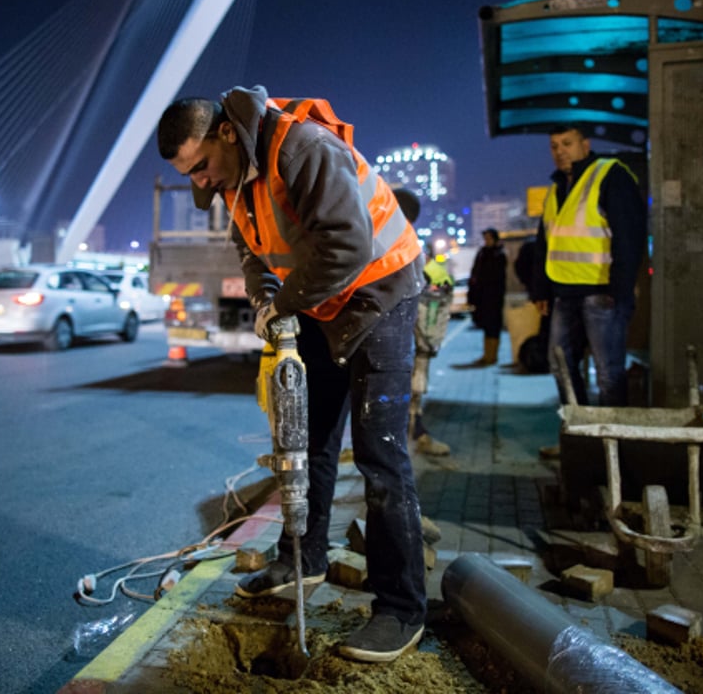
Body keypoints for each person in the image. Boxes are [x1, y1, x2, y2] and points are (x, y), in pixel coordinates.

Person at [158, 87, 428, 663]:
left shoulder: (301, 148)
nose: (200, 184)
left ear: (227, 133)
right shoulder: (231, 179)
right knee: (305, 442)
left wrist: (285, 307)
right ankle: (301, 560)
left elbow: (347, 245)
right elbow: (251, 250)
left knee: (380, 455)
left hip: (380, 294)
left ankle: (400, 608)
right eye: (191, 175)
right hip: (321, 302)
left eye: (201, 167)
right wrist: (266, 303)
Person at [530, 124, 646, 414]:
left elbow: (628, 235)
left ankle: (614, 447)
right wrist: (541, 289)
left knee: (608, 373)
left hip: (602, 292)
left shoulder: (610, 175)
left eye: (567, 143)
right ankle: (580, 438)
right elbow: (545, 242)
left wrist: (621, 290)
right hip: (564, 293)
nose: (560, 152)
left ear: (585, 144)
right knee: (560, 366)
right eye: (554, 146)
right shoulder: (557, 189)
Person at [392, 188, 453, 457]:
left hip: (407, 338)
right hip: (411, 340)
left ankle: (414, 433)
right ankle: (413, 434)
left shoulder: (404, 248)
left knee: (408, 388)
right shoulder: (415, 251)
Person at [459, 228, 507, 367]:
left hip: (494, 296)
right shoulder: (482, 253)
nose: (487, 241)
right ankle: (487, 355)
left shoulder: (499, 254)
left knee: (493, 326)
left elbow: (496, 277)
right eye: (485, 238)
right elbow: (475, 274)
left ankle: (492, 356)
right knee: (486, 326)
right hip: (483, 297)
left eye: (489, 238)